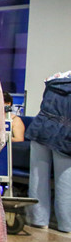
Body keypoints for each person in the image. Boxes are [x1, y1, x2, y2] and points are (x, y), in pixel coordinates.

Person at [25, 71, 71, 232]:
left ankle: (38, 219)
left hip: (41, 127)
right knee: (65, 183)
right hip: (66, 134)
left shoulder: (55, 80)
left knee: (37, 178)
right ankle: (66, 224)